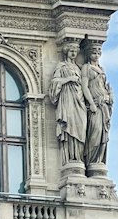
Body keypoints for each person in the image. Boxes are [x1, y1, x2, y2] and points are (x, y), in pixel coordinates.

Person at [48, 38, 86, 167]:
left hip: (79, 100)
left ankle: (79, 158)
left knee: (80, 127)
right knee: (70, 126)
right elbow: (54, 83)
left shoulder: (80, 68)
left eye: (75, 51)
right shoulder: (61, 66)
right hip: (67, 99)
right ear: (66, 52)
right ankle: (71, 158)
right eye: (71, 50)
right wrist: (69, 79)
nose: (73, 53)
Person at [80, 38, 113, 172]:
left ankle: (98, 160)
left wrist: (110, 96)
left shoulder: (101, 68)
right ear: (88, 53)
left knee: (103, 136)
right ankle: (92, 160)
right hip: (95, 106)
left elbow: (105, 86)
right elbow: (85, 86)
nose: (97, 54)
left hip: (104, 105)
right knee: (95, 133)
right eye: (94, 51)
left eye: (99, 51)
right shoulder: (86, 68)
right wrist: (92, 103)